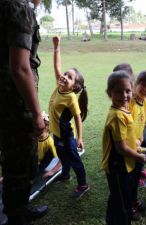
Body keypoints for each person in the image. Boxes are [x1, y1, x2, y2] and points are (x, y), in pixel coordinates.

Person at [0, 0, 48, 224]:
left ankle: (15, 210)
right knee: (21, 161)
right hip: (14, 104)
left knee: (10, 157)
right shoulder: (20, 8)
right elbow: (20, 67)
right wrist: (37, 114)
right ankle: (17, 215)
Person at [102, 71, 146, 225]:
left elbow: (128, 136)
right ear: (109, 93)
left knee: (118, 196)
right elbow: (120, 148)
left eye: (127, 91)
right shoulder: (117, 116)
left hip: (125, 164)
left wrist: (136, 144)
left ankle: (111, 220)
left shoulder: (124, 110)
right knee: (123, 203)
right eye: (118, 92)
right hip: (118, 166)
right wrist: (138, 156)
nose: (124, 95)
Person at [49, 36, 89, 198]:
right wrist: (57, 47)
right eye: (65, 74)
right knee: (61, 155)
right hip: (56, 132)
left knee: (74, 159)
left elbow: (78, 119)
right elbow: (57, 66)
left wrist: (79, 138)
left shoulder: (71, 97)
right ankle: (65, 174)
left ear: (75, 86)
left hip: (66, 134)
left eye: (69, 77)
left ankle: (83, 184)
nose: (64, 76)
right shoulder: (60, 85)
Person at [37, 113, 61, 179]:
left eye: (40, 131)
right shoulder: (34, 136)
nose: (37, 133)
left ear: (47, 129)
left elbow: (63, 158)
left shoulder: (50, 143)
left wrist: (52, 171)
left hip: (42, 162)